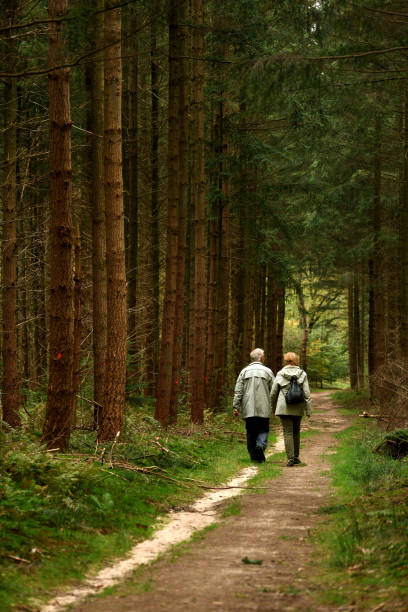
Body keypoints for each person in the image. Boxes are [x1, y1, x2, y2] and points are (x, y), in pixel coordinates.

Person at [270, 351, 312, 466]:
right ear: (296, 361)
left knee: (287, 432)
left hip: (284, 408)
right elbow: (307, 393)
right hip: (298, 407)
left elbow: (273, 393)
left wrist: (273, 408)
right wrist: (308, 410)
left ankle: (290, 458)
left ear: (286, 361)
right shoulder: (302, 374)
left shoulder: (280, 374)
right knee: (296, 431)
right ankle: (296, 457)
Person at [233, 348, 275, 463]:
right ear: (261, 358)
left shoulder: (244, 372)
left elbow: (238, 391)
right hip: (264, 407)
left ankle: (254, 458)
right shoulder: (268, 372)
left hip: (248, 407)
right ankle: (261, 444)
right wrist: (275, 407)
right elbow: (274, 391)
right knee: (263, 429)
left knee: (251, 432)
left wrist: (236, 406)